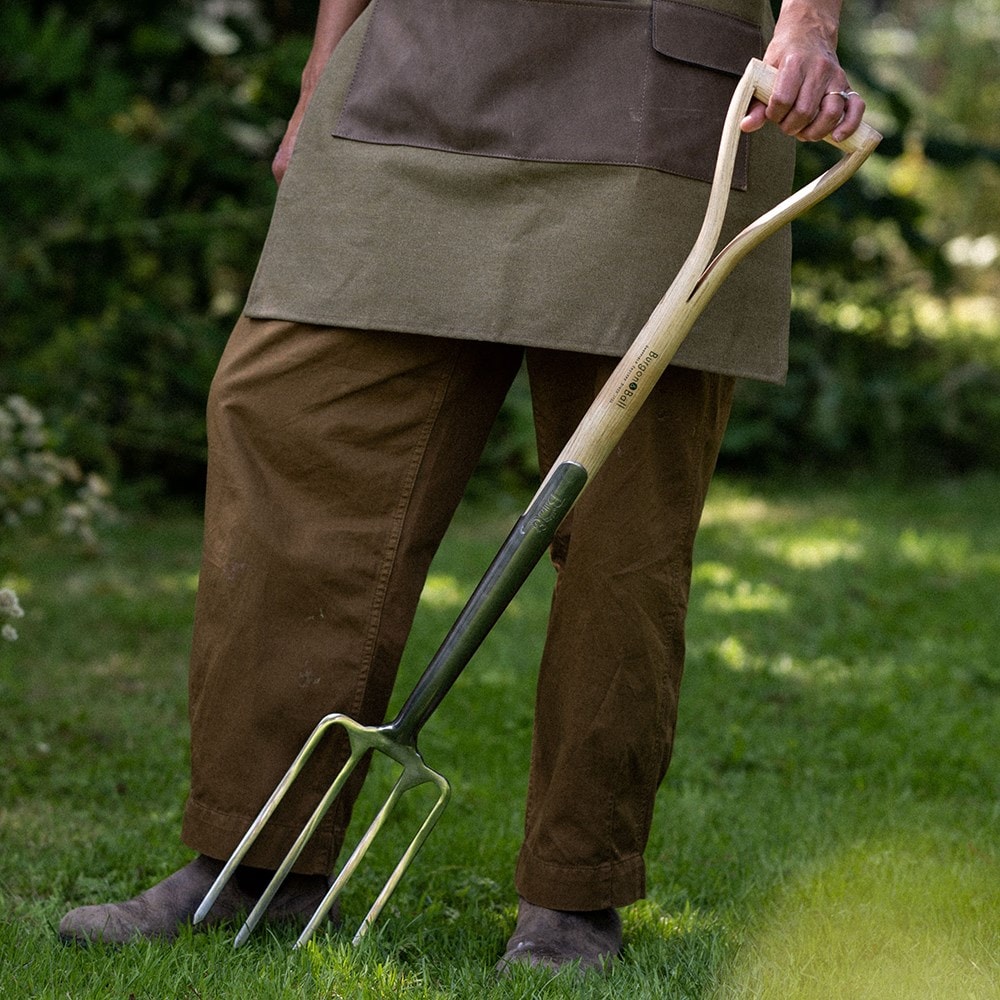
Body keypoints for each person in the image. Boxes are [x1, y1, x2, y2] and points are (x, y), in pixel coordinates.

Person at [59, 0, 865, 973]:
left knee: (623, 526)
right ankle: (252, 852)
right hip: (416, 61)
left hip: (660, 73)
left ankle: (575, 892)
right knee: (287, 421)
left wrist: (810, 24)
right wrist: (324, 69)